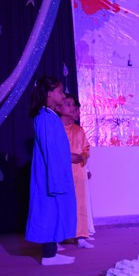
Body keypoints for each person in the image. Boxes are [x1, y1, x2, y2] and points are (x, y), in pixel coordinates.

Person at [25, 76, 76, 265]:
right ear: (48, 94)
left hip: (55, 174)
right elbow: (50, 151)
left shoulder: (50, 116)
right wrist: (56, 180)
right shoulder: (45, 117)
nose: (63, 95)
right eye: (60, 92)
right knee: (47, 212)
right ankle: (48, 255)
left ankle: (52, 252)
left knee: (54, 212)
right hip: (50, 177)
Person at [59, 94, 94, 248]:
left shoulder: (78, 130)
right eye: (68, 104)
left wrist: (83, 156)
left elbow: (86, 148)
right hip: (61, 171)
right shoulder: (56, 128)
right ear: (59, 107)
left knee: (80, 203)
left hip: (78, 171)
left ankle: (80, 236)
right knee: (61, 202)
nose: (72, 108)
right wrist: (67, 157)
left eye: (73, 105)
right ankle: (58, 237)